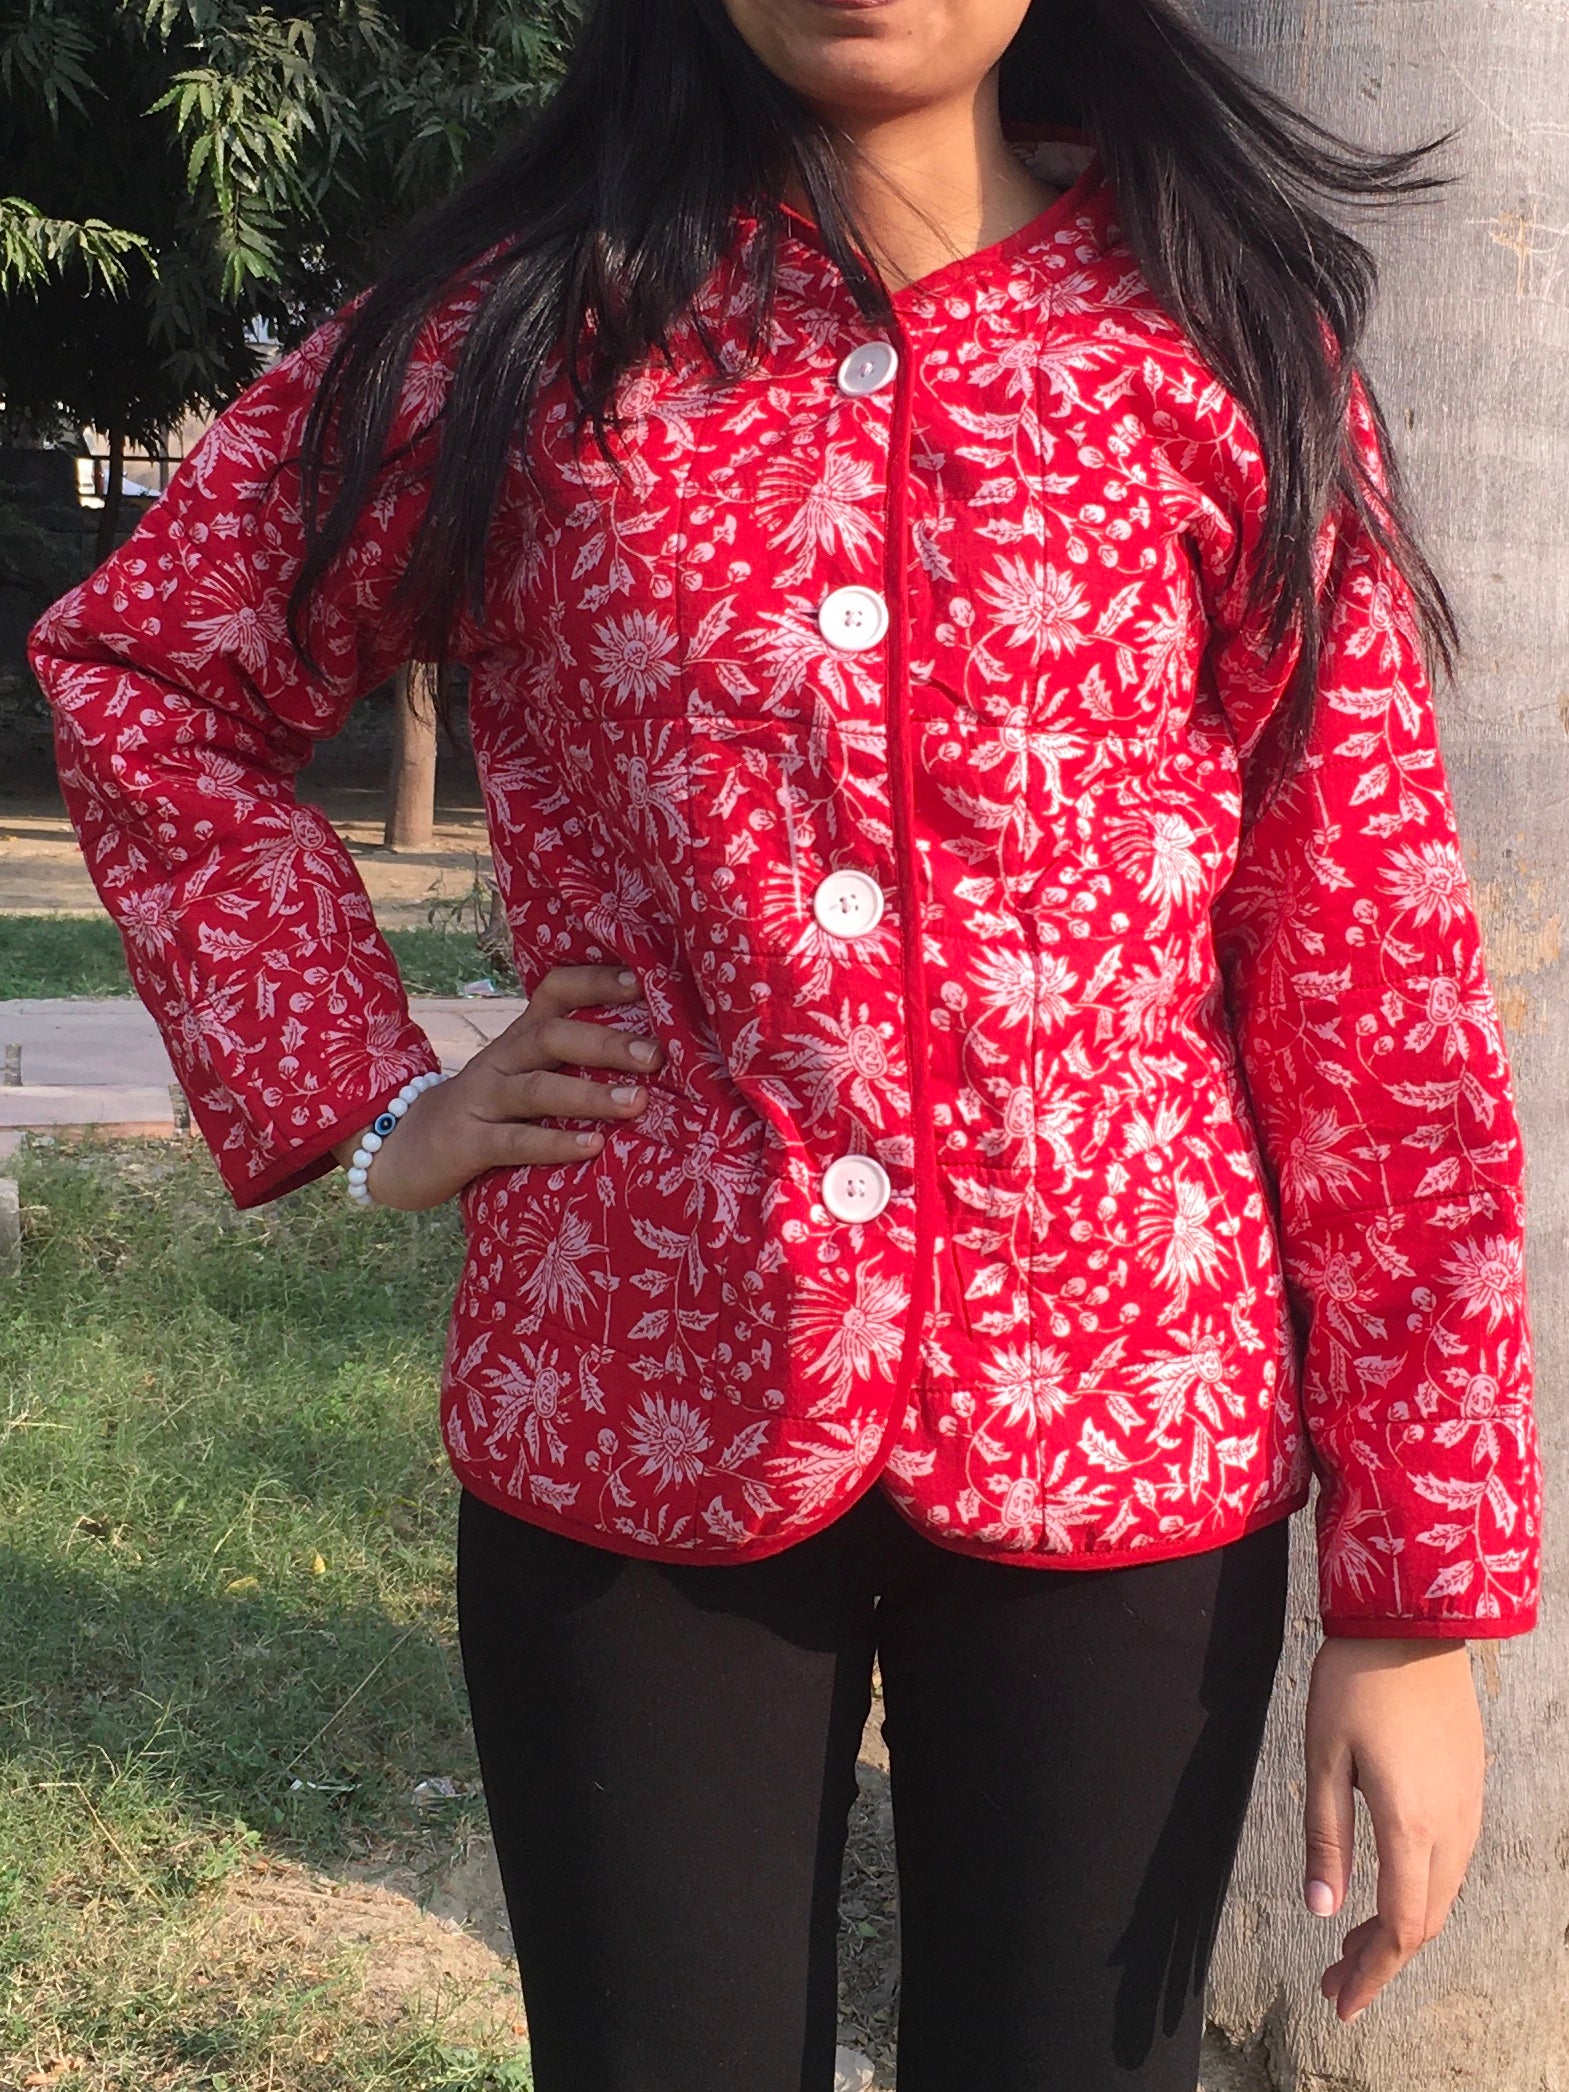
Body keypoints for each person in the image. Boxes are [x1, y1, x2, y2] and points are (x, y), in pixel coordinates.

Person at [31, 2, 1541, 2087]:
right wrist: (372, 1092)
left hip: (1127, 1415)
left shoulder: (1215, 338)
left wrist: (1413, 1589)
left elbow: (1363, 958)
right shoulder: (529, 328)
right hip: (630, 1403)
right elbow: (144, 671)